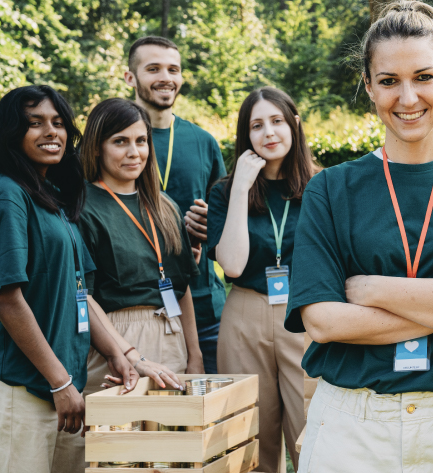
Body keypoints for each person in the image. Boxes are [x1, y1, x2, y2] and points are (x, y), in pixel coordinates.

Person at [285, 0, 433, 473]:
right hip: (351, 429)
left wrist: (373, 290)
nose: (408, 98)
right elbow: (324, 322)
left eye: (423, 77)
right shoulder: (330, 189)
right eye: (389, 81)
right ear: (369, 86)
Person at [0, 86, 140, 473]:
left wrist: (115, 353)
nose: (51, 132)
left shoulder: (52, 196)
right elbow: (6, 298)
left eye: (58, 122)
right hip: (25, 391)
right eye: (34, 123)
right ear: (11, 132)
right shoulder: (7, 194)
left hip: (66, 392)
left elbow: (80, 293)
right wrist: (59, 382)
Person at [208, 87, 313, 472]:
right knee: (250, 434)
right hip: (245, 313)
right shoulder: (225, 192)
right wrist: (240, 187)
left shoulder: (321, 187)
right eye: (256, 125)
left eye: (277, 121)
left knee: (310, 426)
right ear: (245, 134)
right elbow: (232, 265)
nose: (268, 132)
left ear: (294, 125)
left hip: (304, 313)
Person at [76, 98, 203, 399]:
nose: (134, 152)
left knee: (171, 429)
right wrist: (131, 355)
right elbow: (83, 297)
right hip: (114, 342)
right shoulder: (82, 208)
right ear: (97, 147)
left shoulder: (164, 205)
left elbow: (181, 289)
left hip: (171, 334)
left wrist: (195, 355)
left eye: (141, 141)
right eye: (120, 141)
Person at [126, 36, 227, 374]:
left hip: (204, 308)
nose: (166, 77)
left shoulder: (203, 141)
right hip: (138, 314)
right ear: (130, 77)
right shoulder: (112, 142)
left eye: (173, 69)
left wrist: (212, 227)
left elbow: (228, 230)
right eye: (153, 69)